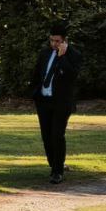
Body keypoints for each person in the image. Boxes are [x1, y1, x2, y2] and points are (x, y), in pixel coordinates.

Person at [30, 23, 82, 184]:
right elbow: (37, 73)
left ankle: (57, 172)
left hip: (61, 102)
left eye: (57, 41)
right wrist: (34, 92)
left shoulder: (74, 54)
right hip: (44, 101)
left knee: (57, 135)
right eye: (52, 40)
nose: (54, 44)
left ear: (65, 41)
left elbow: (72, 76)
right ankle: (54, 164)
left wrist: (62, 56)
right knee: (46, 136)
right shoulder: (44, 53)